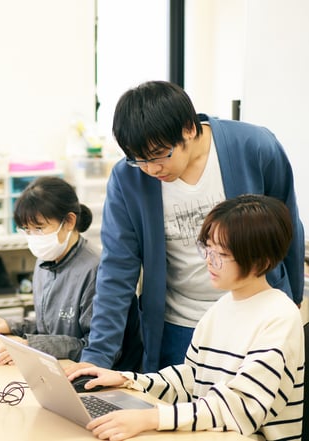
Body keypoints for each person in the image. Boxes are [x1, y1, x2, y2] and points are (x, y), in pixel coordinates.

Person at [67, 80, 305, 375]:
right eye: (139, 160)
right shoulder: (128, 178)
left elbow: (287, 225)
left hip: (256, 317)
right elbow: (117, 268)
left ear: (189, 130)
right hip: (179, 325)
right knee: (176, 400)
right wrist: (98, 355)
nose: (151, 169)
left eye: (159, 154)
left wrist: (292, 299)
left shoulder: (253, 146)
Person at [68, 194, 305, 441]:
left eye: (222, 254)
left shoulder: (279, 316)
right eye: (207, 248)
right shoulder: (221, 308)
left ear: (261, 262)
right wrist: (127, 379)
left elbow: (242, 407)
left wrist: (152, 418)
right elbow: (191, 379)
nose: (208, 261)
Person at [0, 176, 142, 368]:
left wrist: (34, 346)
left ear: (69, 221)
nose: (33, 237)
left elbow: (94, 348)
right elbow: (52, 325)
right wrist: (11, 326)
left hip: (96, 373)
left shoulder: (96, 270)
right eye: (27, 230)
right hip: (57, 366)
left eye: (39, 228)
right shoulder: (45, 261)